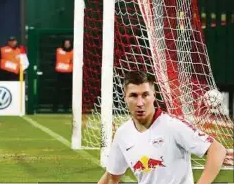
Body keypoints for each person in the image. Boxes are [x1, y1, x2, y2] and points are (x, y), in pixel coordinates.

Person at [98, 71, 233, 184]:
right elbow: (112, 177)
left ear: (153, 96)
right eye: (133, 95)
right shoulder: (123, 134)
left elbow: (217, 150)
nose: (140, 103)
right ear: (125, 98)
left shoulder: (173, 125)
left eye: (145, 95)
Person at [53, 39, 73, 112]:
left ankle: (66, 107)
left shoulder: (73, 52)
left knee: (68, 92)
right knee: (57, 91)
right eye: (66, 43)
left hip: (68, 74)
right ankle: (55, 108)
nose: (67, 44)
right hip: (59, 74)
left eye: (68, 43)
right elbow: (53, 60)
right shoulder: (58, 50)